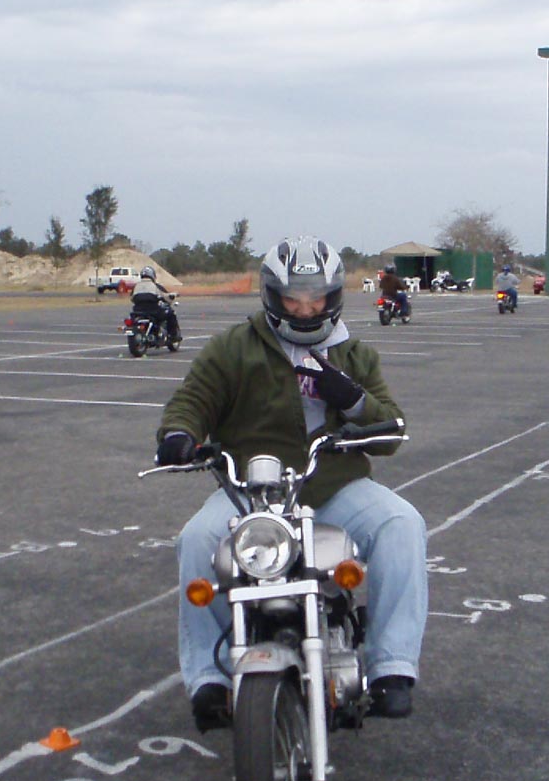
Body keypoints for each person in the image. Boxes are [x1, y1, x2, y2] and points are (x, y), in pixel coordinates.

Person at [154, 236, 428, 731]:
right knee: (196, 539)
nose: (305, 309)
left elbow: (391, 432)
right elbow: (192, 400)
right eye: (293, 299)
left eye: (316, 299)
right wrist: (179, 434)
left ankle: (391, 666)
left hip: (335, 486)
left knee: (402, 523)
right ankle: (209, 678)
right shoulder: (234, 348)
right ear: (273, 295)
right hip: (252, 492)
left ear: (332, 297)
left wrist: (354, 401)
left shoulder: (354, 354)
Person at [130, 266, 181, 342]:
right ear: (152, 275)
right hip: (153, 311)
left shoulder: (136, 286)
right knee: (171, 314)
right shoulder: (155, 286)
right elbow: (165, 296)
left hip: (137, 312)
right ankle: (173, 336)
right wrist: (173, 295)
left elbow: (132, 298)